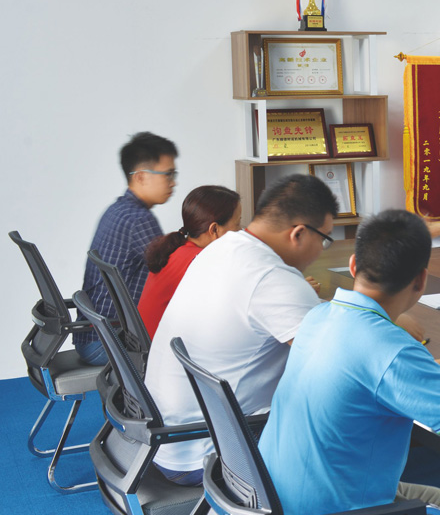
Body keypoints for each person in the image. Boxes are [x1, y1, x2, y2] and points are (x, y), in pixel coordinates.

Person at [258, 209, 440, 515]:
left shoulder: (319, 316)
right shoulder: (392, 349)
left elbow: (369, 375)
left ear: (353, 265)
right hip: (332, 514)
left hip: (276, 497)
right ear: (421, 280)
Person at [143, 174, 338, 486]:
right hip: (211, 451)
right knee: (342, 406)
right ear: (299, 233)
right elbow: (339, 365)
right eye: (324, 239)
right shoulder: (272, 277)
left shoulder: (221, 248)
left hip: (168, 438)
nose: (321, 251)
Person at [76, 132, 179, 365]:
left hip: (93, 335)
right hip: (110, 341)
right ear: (141, 177)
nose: (173, 182)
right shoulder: (139, 219)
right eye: (168, 174)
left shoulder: (118, 210)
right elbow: (174, 277)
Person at [137, 185, 241, 340]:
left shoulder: (178, 249)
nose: (241, 230)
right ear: (214, 230)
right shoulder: (201, 261)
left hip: (146, 342)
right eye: (237, 224)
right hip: (162, 348)